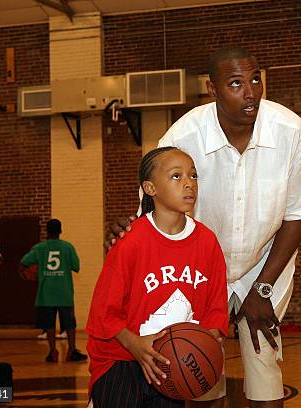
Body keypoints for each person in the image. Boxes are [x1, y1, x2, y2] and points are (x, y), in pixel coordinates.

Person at [109, 46, 301, 407]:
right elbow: (154, 212)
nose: (250, 91)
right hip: (198, 267)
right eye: (236, 83)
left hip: (264, 262)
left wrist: (262, 289)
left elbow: (297, 213)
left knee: (263, 359)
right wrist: (127, 232)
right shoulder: (182, 137)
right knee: (198, 369)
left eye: (255, 79)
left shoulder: (291, 131)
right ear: (212, 89)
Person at [87, 147, 228, 408]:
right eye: (176, 176)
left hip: (172, 365)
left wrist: (201, 349)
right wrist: (135, 345)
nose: (189, 183)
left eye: (193, 176)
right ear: (150, 188)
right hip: (121, 360)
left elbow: (216, 309)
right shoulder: (131, 240)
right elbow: (103, 312)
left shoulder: (207, 242)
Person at [20, 219, 87, 363]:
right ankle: (72, 351)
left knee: (49, 325)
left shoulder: (39, 248)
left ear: (47, 231)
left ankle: (52, 352)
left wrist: (33, 271)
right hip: (64, 292)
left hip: (46, 293)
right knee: (70, 324)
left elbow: (24, 261)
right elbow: (76, 266)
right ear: (60, 231)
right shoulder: (68, 247)